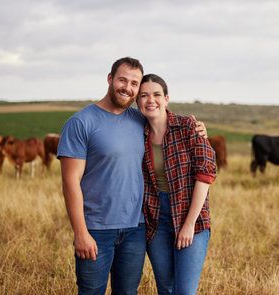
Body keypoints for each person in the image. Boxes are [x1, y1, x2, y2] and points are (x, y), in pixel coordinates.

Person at [57, 57, 206, 295]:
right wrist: (81, 233)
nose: (127, 87)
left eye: (134, 83)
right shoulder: (80, 123)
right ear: (110, 79)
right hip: (96, 229)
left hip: (136, 228)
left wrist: (196, 127)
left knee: (127, 292)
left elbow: (164, 116)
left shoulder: (139, 121)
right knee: (91, 291)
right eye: (122, 80)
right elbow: (69, 182)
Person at [137, 74, 217, 295]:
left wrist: (189, 223)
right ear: (137, 102)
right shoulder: (136, 132)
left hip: (190, 214)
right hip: (156, 218)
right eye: (144, 95)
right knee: (166, 288)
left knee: (183, 291)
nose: (150, 100)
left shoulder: (187, 127)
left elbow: (205, 173)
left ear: (166, 98)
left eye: (156, 94)